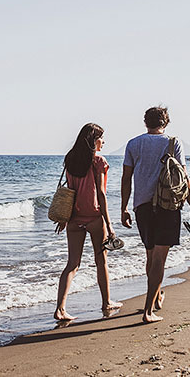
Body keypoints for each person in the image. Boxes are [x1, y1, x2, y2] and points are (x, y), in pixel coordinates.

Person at [121, 106, 190, 323]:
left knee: (150, 256)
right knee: (159, 261)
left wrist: (124, 207)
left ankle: (157, 296)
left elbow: (126, 179)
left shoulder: (133, 144)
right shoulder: (173, 143)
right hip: (168, 206)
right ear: (166, 122)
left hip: (142, 207)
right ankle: (148, 312)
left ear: (146, 122)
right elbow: (183, 176)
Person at [54, 123, 122, 321]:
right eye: (101, 138)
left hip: (74, 219)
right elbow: (101, 193)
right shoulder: (98, 161)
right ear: (93, 141)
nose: (103, 142)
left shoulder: (70, 159)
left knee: (72, 265)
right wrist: (109, 224)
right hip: (94, 217)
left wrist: (64, 218)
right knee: (101, 261)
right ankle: (106, 302)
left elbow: (70, 189)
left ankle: (60, 308)